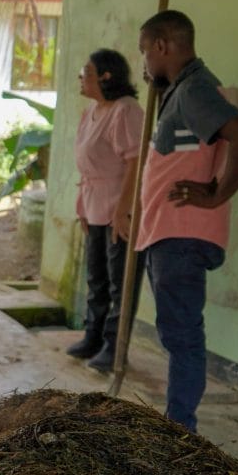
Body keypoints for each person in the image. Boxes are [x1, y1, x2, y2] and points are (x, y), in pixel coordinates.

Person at [133, 10, 238, 432]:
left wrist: (217, 194)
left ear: (161, 46)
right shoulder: (180, 90)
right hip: (167, 231)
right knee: (176, 333)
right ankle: (178, 423)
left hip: (182, 234)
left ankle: (179, 430)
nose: (145, 65)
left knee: (182, 336)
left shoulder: (195, 90)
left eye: (145, 54)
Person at [66, 49, 145, 373]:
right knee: (96, 277)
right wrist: (82, 205)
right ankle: (94, 336)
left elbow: (136, 162)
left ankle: (115, 347)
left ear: (106, 76)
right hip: (94, 202)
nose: (81, 78)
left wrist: (124, 210)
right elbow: (87, 164)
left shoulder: (126, 111)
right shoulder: (93, 111)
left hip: (117, 205)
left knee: (119, 281)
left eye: (86, 72)